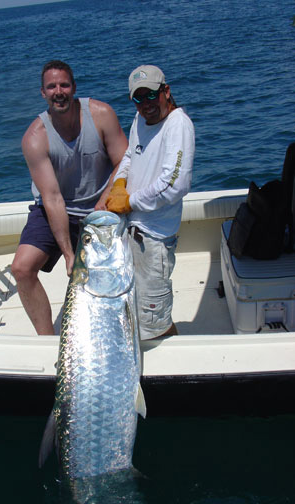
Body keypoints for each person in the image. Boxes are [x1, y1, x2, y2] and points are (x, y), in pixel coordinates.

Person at [11, 60, 128, 335]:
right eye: (51, 87)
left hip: (103, 207)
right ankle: (46, 339)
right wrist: (68, 253)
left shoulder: (101, 114)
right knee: (21, 269)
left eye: (64, 84)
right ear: (43, 93)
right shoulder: (35, 138)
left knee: (118, 270)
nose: (58, 91)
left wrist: (106, 201)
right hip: (56, 208)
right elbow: (52, 199)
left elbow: (124, 162)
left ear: (74, 87)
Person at [106, 64, 195, 340]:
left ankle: (178, 371)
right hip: (130, 234)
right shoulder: (139, 119)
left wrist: (130, 201)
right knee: (135, 313)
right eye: (138, 98)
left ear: (166, 91)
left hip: (154, 241)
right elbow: (131, 157)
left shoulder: (178, 125)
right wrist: (119, 183)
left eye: (151, 96)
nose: (145, 105)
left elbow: (174, 185)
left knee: (156, 324)